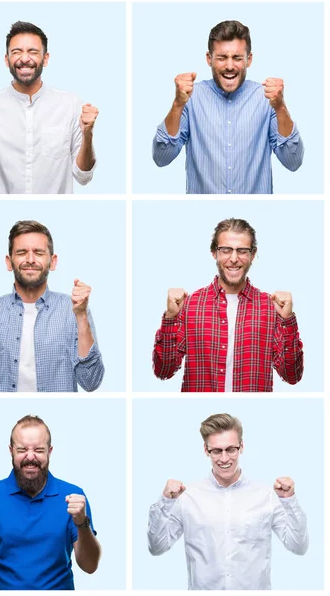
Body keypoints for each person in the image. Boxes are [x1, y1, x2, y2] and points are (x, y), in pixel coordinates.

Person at [147, 413, 308, 590]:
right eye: (216, 451)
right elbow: (157, 548)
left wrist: (289, 501)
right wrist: (165, 502)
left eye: (231, 449)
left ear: (242, 447)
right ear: (206, 450)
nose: (224, 459)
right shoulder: (187, 497)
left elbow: (298, 547)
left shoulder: (266, 495)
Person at [152, 20, 303, 194]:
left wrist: (280, 108)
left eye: (237, 58)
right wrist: (178, 104)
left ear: (249, 59)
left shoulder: (267, 99)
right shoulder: (190, 98)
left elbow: (293, 161)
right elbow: (161, 157)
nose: (230, 66)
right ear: (209, 59)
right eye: (222, 58)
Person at [152, 218, 303, 392]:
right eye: (226, 250)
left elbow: (292, 376)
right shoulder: (189, 305)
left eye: (242, 251)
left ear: (252, 255)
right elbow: (163, 371)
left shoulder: (270, 307)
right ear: (214, 253)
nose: (233, 258)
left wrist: (287, 320)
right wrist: (171, 318)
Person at [0, 220, 104, 392]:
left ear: (53, 262)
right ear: (9, 262)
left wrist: (82, 316)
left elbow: (91, 382)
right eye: (22, 252)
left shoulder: (73, 309)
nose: (30, 260)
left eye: (39, 253)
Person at [0, 415, 101, 589]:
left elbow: (90, 566)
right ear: (11, 451)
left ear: (50, 452)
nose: (30, 457)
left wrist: (82, 523)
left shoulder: (73, 497)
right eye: (22, 450)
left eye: (39, 450)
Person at [0, 21, 98, 194]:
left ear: (45, 58)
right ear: (7, 59)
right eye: (16, 52)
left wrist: (88, 134)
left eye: (32, 52)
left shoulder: (71, 105)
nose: (24, 59)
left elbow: (83, 177)